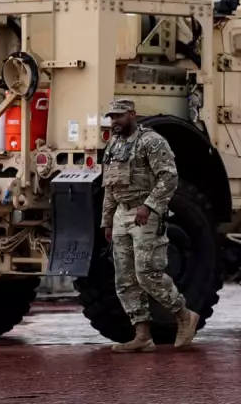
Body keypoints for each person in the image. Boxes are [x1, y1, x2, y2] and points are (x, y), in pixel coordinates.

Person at [100, 98, 199, 352]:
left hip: (145, 214)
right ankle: (142, 335)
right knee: (124, 278)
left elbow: (169, 176)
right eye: (111, 117)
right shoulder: (113, 144)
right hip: (122, 215)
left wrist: (149, 206)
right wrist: (107, 220)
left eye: (119, 116)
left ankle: (184, 315)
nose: (114, 122)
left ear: (133, 114)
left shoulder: (151, 141)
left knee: (148, 273)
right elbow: (110, 187)